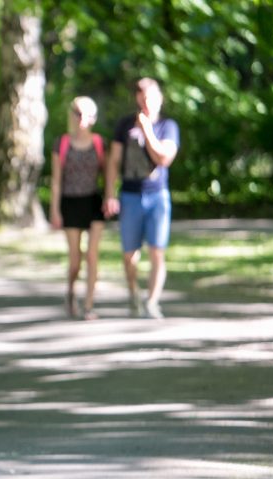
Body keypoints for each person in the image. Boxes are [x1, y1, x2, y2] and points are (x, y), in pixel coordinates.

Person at [103, 77, 180, 319]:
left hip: (157, 195)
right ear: (137, 98)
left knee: (157, 251)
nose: (146, 101)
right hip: (130, 195)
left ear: (159, 98)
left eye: (150, 97)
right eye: (141, 96)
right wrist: (109, 193)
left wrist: (146, 129)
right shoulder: (124, 124)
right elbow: (114, 161)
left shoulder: (168, 126)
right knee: (129, 254)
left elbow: (163, 159)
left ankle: (153, 301)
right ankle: (134, 293)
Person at [49, 96, 106, 320]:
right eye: (78, 113)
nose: (83, 119)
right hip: (70, 202)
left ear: (94, 118)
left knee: (92, 255)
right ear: (72, 115)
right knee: (75, 261)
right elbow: (55, 180)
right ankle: (71, 292)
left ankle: (89, 306)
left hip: (93, 201)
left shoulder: (100, 143)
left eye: (88, 114)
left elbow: (107, 174)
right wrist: (55, 210)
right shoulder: (61, 143)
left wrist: (110, 196)